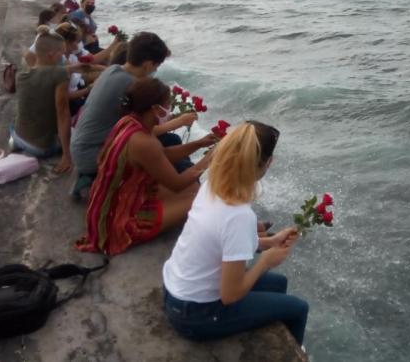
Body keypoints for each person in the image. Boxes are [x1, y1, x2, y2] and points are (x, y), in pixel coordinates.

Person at [162, 121, 309, 346]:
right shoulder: (239, 216)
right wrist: (265, 261)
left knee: (278, 283)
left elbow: (223, 241)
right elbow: (230, 294)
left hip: (175, 292)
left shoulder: (213, 185)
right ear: (267, 163)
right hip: (194, 315)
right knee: (298, 309)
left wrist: (270, 241)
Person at [75, 79, 214, 255]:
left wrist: (199, 144)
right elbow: (176, 184)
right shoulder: (143, 142)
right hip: (116, 224)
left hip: (109, 205)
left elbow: (162, 156)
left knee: (194, 187)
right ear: (155, 109)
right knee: (201, 198)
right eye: (167, 105)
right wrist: (209, 160)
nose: (170, 110)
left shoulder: (128, 122)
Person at [70, 32, 212, 198]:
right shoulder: (131, 86)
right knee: (177, 166)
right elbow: (139, 134)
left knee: (170, 141)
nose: (155, 70)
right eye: (156, 66)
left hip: (82, 148)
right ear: (147, 65)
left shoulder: (114, 70)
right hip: (92, 156)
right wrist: (179, 122)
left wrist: (199, 142)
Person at [11, 26, 73, 173]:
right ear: (52, 54)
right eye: (62, 54)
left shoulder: (21, 76)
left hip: (18, 136)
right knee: (79, 135)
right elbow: (63, 114)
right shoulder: (60, 74)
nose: (64, 58)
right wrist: (67, 155)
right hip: (42, 148)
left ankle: (16, 142)